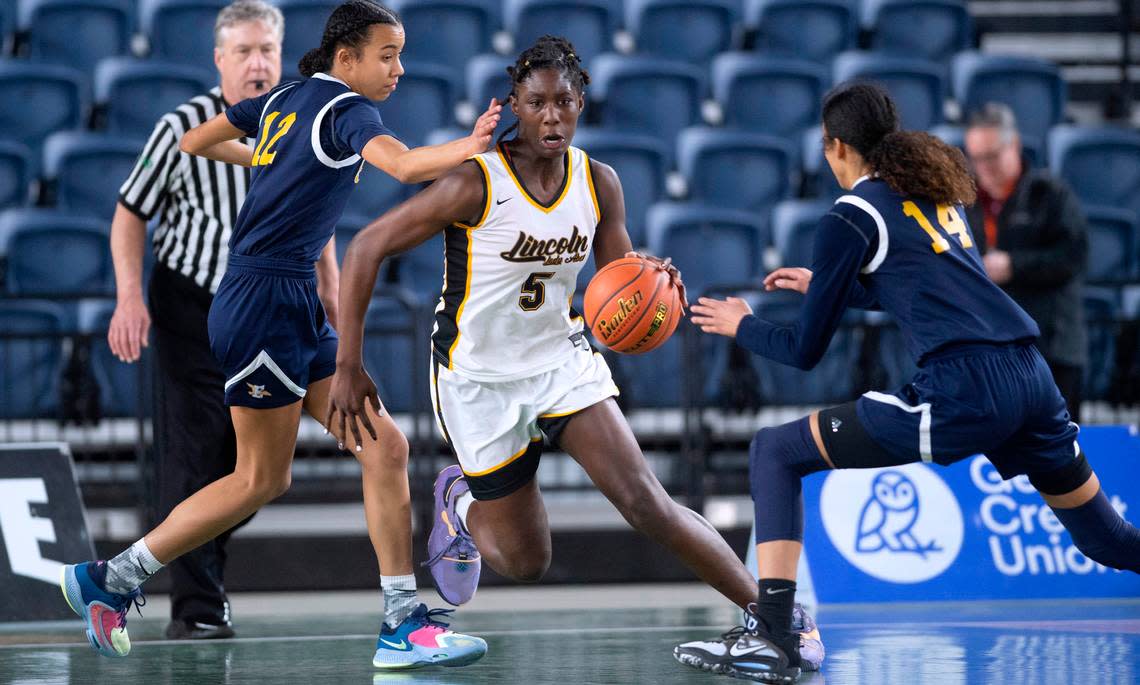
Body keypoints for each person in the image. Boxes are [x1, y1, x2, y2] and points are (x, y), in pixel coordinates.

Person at [325, 35, 824, 672]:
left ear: (581, 101)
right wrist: (348, 364)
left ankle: (776, 620)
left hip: (562, 362)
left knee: (647, 501)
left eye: (564, 101)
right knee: (527, 563)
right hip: (478, 381)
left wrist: (656, 284)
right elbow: (366, 247)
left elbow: (618, 283)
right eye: (537, 103)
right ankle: (462, 503)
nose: (552, 116)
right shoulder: (474, 184)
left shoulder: (599, 182)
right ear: (515, 106)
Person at [62, 0, 501, 669]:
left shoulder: (288, 99)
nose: (399, 69)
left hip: (289, 296)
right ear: (346, 57)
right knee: (259, 478)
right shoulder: (349, 110)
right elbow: (408, 168)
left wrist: (270, 153)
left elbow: (197, 141)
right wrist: (471, 146)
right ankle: (112, 577)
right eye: (388, 54)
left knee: (386, 445)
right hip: (262, 298)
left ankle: (400, 619)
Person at [677, 83, 1140, 683]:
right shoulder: (933, 193)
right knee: (1106, 538)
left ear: (835, 146)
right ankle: (773, 630)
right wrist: (828, 285)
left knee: (776, 450)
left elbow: (805, 350)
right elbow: (921, 284)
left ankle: (772, 633)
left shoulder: (850, 214)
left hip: (964, 388)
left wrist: (743, 326)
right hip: (1030, 376)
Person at [108, 0, 287, 641]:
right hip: (190, 306)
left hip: (265, 315)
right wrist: (130, 298)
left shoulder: (297, 125)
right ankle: (198, 611)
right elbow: (131, 212)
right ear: (220, 60)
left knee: (264, 471)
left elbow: (311, 221)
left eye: (266, 48)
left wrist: (327, 289)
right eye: (243, 51)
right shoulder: (183, 126)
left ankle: (178, 559)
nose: (257, 62)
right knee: (196, 458)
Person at [964, 103, 1088, 422]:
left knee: (1059, 450)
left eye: (992, 155)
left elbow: (1074, 257)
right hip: (993, 352)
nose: (984, 166)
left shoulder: (1050, 194)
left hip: (1052, 347)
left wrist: (1014, 266)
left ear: (1014, 145)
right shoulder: (967, 202)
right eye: (976, 158)